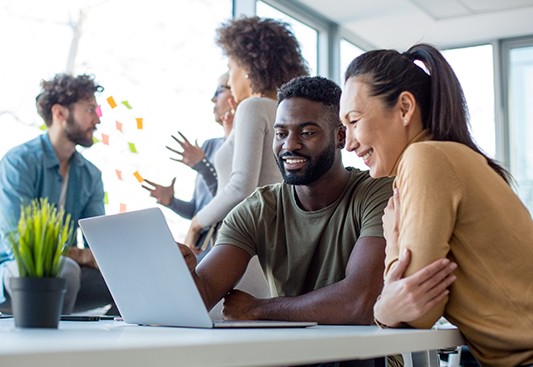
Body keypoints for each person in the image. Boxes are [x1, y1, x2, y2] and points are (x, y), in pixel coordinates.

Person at [339, 43, 533, 367]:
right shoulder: (449, 157)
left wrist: (393, 239)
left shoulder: (424, 158)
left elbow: (417, 312)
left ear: (404, 108)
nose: (348, 143)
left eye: (355, 120)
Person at [180, 76, 394, 367]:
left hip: (363, 356)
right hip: (294, 356)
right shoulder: (258, 209)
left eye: (306, 133)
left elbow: (359, 302)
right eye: (281, 134)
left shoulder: (377, 192)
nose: (289, 145)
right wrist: (182, 274)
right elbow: (202, 294)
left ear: (340, 136)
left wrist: (258, 309)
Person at [0, 73, 116, 315]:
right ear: (60, 113)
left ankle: (112, 348)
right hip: (8, 270)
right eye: (90, 109)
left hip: (66, 274)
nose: (97, 119)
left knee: (131, 278)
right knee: (65, 270)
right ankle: (52, 346)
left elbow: (98, 246)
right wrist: (82, 255)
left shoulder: (91, 175)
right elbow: (20, 243)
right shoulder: (18, 162)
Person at [184, 16, 309, 251]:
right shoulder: (285, 112)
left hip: (241, 240)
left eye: (231, 68)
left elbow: (241, 186)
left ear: (248, 67)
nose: (230, 79)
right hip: (271, 239)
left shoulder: (253, 107)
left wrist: (195, 223)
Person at [142, 73, 235, 260]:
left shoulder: (240, 148)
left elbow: (230, 198)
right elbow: (197, 210)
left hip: (221, 245)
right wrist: (172, 202)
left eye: (218, 91)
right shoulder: (209, 146)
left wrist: (203, 166)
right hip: (198, 245)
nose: (213, 98)